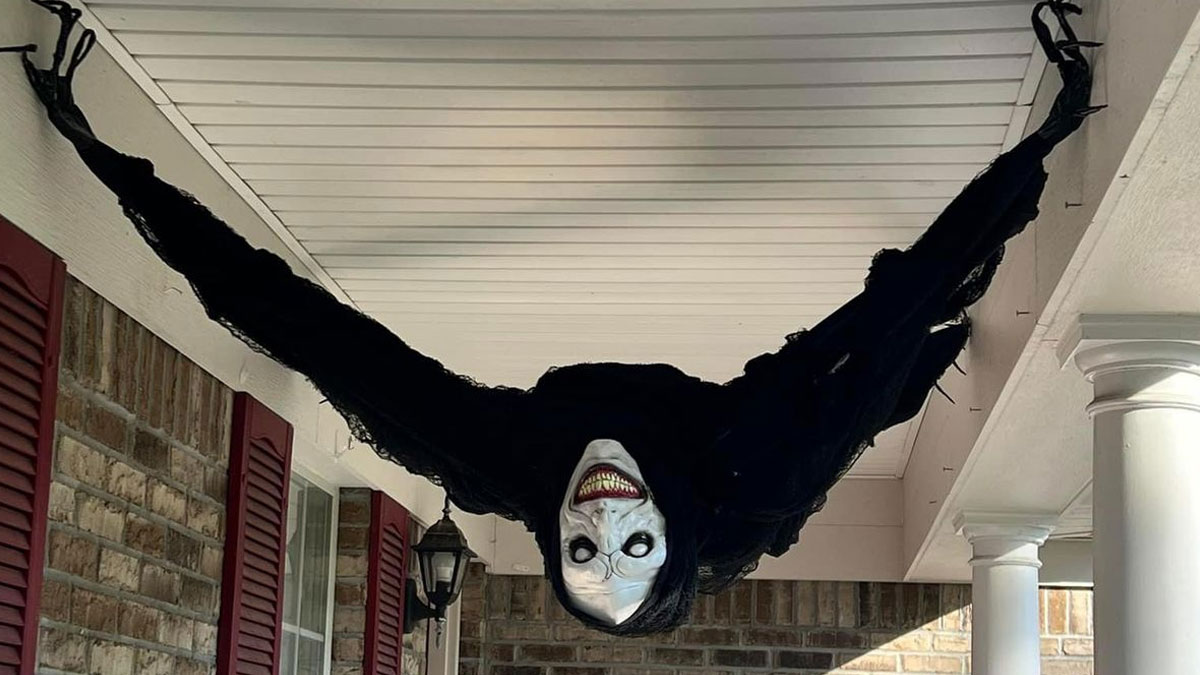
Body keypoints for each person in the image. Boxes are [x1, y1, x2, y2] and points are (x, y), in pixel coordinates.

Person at [12, 0, 1100, 635]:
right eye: (633, 541)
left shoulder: (500, 460)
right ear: (671, 533)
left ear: (551, 534)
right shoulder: (754, 475)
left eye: (583, 546)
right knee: (885, 345)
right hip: (717, 426)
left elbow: (306, 328)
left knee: (331, 346)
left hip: (564, 407)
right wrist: (1043, 138)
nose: (604, 510)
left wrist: (104, 156)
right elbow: (867, 340)